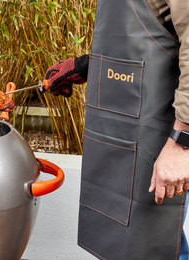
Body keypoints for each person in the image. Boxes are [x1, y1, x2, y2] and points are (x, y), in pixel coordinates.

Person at [42, 0, 189, 259]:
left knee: (156, 241)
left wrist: (181, 142)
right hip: (131, 122)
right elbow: (153, 35)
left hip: (170, 129)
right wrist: (90, 64)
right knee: (135, 239)